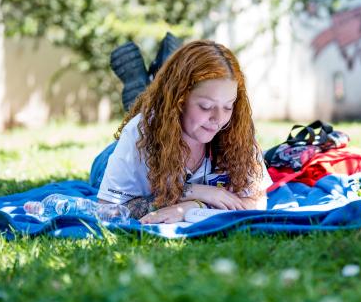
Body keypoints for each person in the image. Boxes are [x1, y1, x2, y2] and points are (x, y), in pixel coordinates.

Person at [97, 39, 272, 223]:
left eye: (228, 106)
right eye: (206, 106)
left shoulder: (235, 126)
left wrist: (195, 206)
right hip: (113, 157)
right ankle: (149, 84)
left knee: (149, 100)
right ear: (178, 101)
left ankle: (152, 80)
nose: (219, 119)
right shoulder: (139, 132)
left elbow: (257, 200)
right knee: (144, 110)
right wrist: (192, 191)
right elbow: (107, 208)